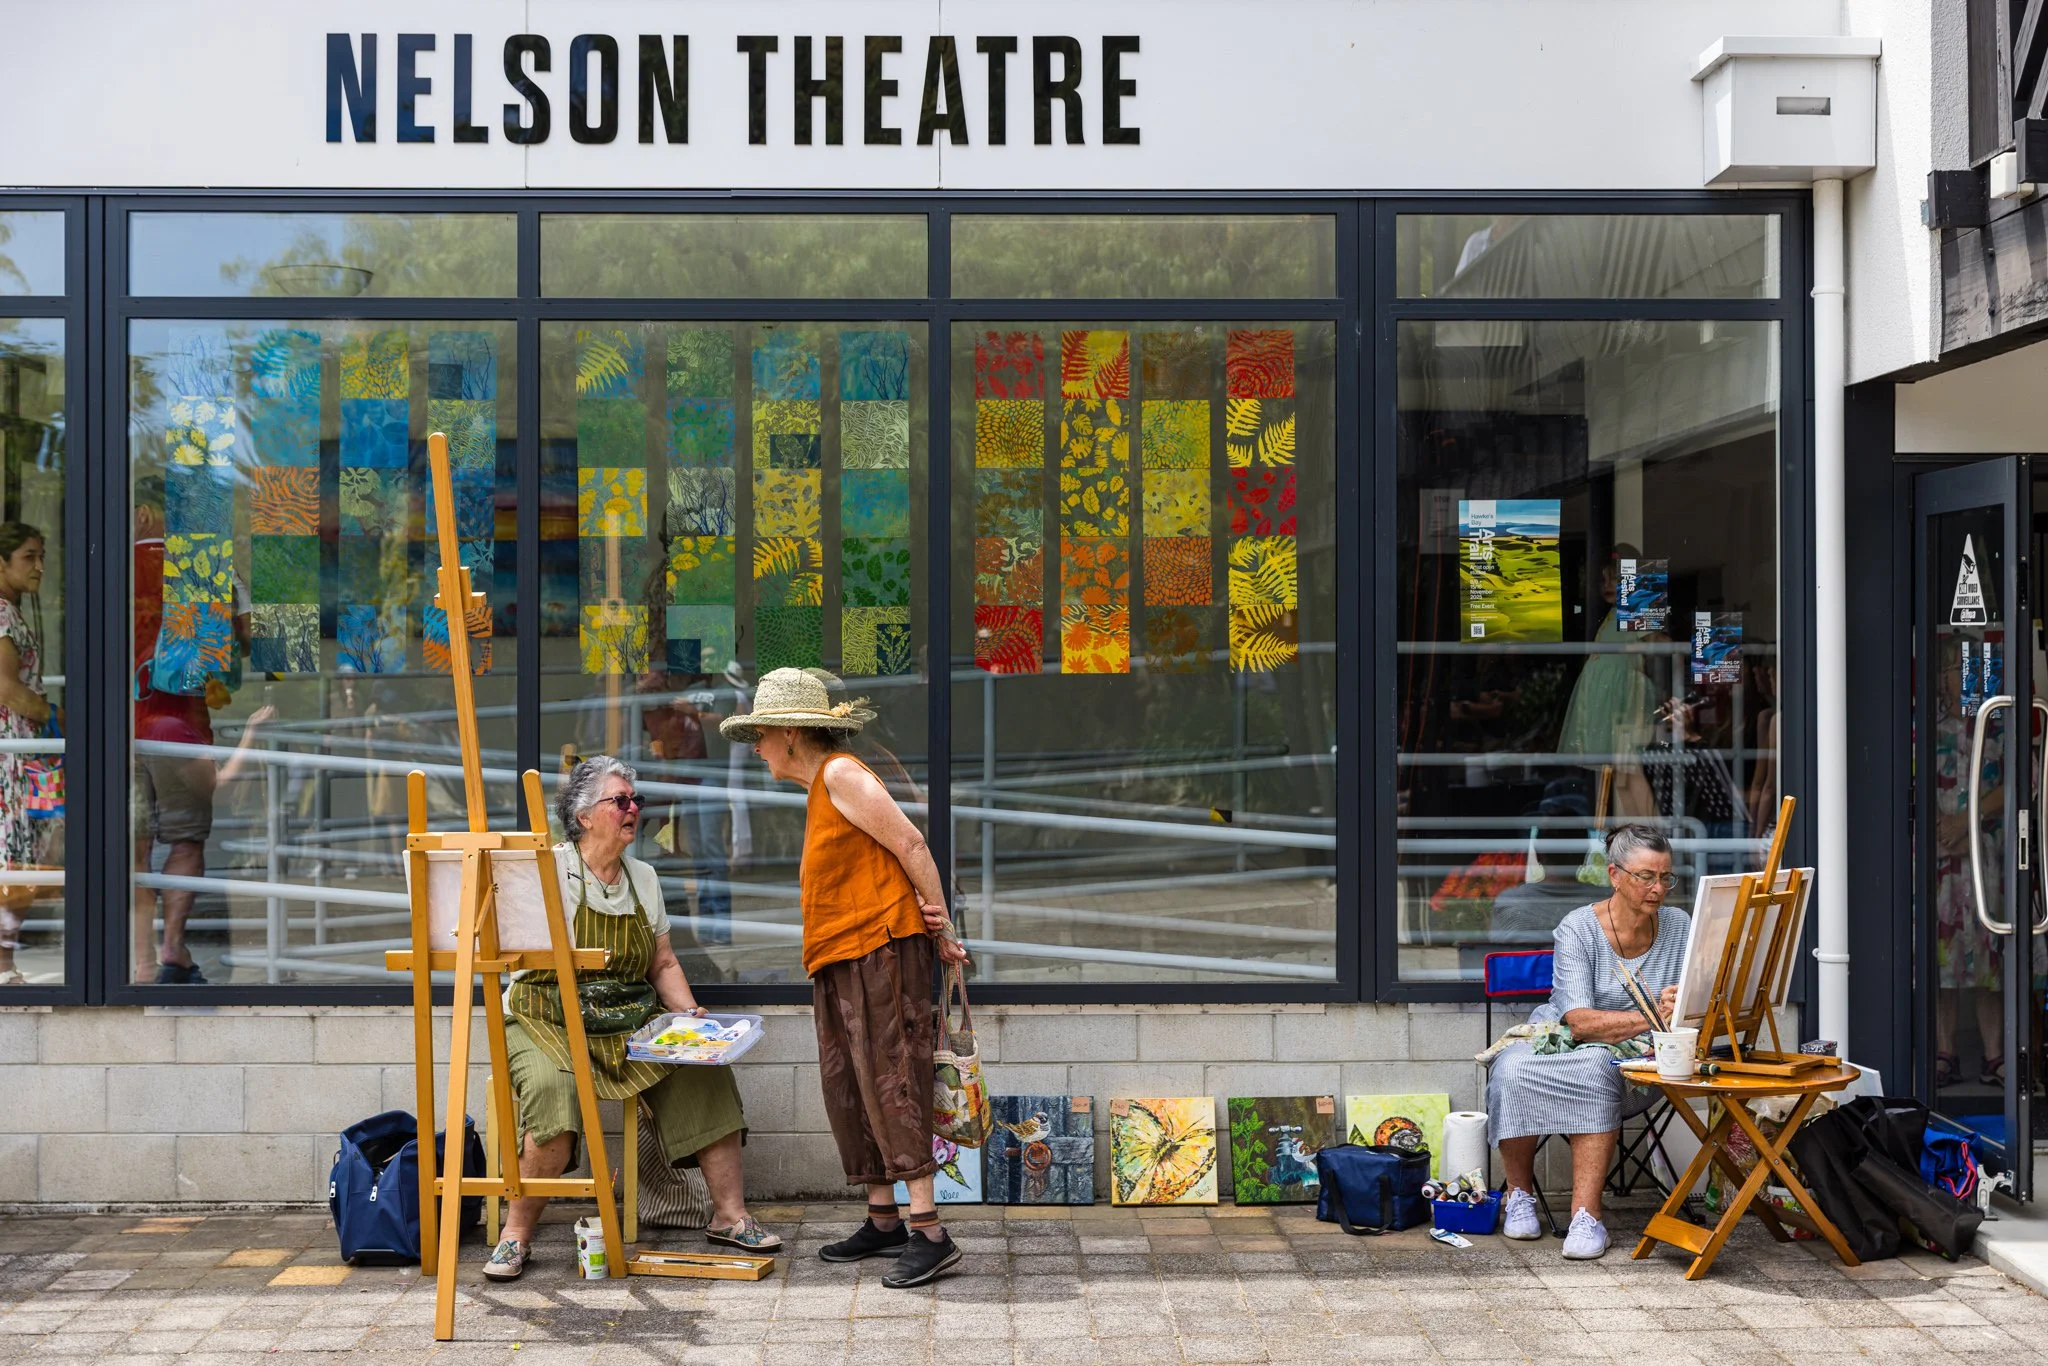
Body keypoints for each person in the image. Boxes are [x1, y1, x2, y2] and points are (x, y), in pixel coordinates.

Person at [720, 668, 971, 1290]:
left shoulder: (841, 774)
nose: (755, 748)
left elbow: (912, 844)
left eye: (760, 735)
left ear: (790, 733)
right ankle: (884, 1219)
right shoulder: (821, 786)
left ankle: (930, 1232)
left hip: (879, 949)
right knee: (851, 1086)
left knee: (891, 1080)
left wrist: (942, 927)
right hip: (840, 953)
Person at [483, 756, 780, 1280]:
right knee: (553, 1091)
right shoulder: (548, 870)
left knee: (702, 1071)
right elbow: (513, 955)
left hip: (627, 1016)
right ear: (583, 816)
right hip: (546, 1014)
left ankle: (729, 1216)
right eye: (619, 801)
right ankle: (516, 1234)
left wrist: (690, 1017)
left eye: (635, 801)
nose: (633, 810)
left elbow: (662, 963)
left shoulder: (643, 878)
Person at [1486, 824, 1689, 1260]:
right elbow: (1578, 1022)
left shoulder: (1680, 926)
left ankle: (1587, 1216)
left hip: (1638, 1059)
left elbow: (1695, 1001)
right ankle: (1519, 1196)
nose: (1658, 888)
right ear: (1614, 875)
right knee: (1510, 1066)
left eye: (1665, 877)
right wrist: (1656, 1013)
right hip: (1564, 1038)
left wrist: (1683, 1002)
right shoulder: (1578, 928)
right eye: (1645, 877)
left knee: (1596, 1066)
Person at [0, 522, 51, 985]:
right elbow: (7, 689)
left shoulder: (12, 612)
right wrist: (54, 717)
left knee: (20, 856)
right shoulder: (1, 613)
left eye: (41, 557)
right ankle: (2, 966)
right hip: (11, 754)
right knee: (13, 855)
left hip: (21, 751)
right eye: (28, 557)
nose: (38, 567)